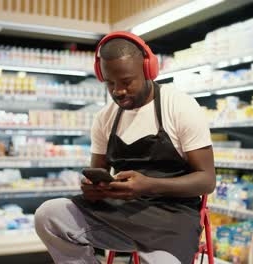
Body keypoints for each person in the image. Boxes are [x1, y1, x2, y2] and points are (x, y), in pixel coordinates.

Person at [34, 31, 216, 264]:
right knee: (48, 215)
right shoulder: (105, 117)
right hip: (118, 212)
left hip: (171, 219)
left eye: (127, 82)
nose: (118, 91)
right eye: (110, 83)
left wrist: (148, 185)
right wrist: (94, 189)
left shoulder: (180, 107)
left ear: (148, 70)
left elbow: (207, 181)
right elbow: (97, 175)